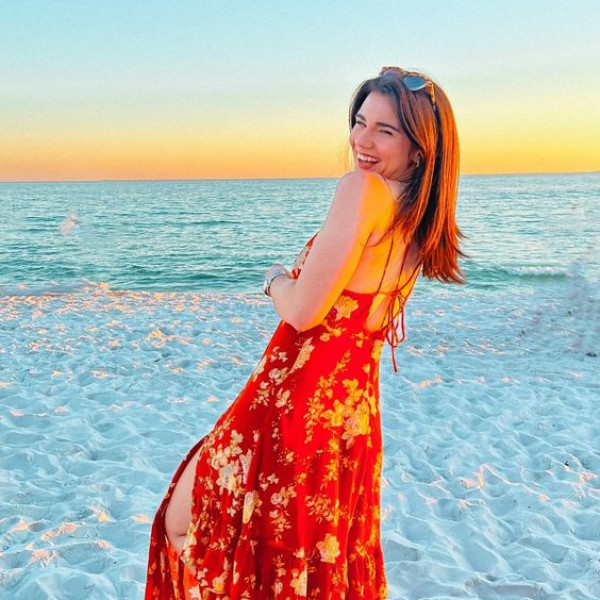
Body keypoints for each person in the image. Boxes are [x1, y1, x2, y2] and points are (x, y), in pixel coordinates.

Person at [145, 66, 465, 599]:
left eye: (384, 131)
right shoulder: (419, 219)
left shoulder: (362, 191)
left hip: (289, 404)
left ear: (419, 149)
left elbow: (303, 313)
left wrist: (273, 280)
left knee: (183, 528)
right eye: (360, 122)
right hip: (349, 420)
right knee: (309, 565)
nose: (362, 142)